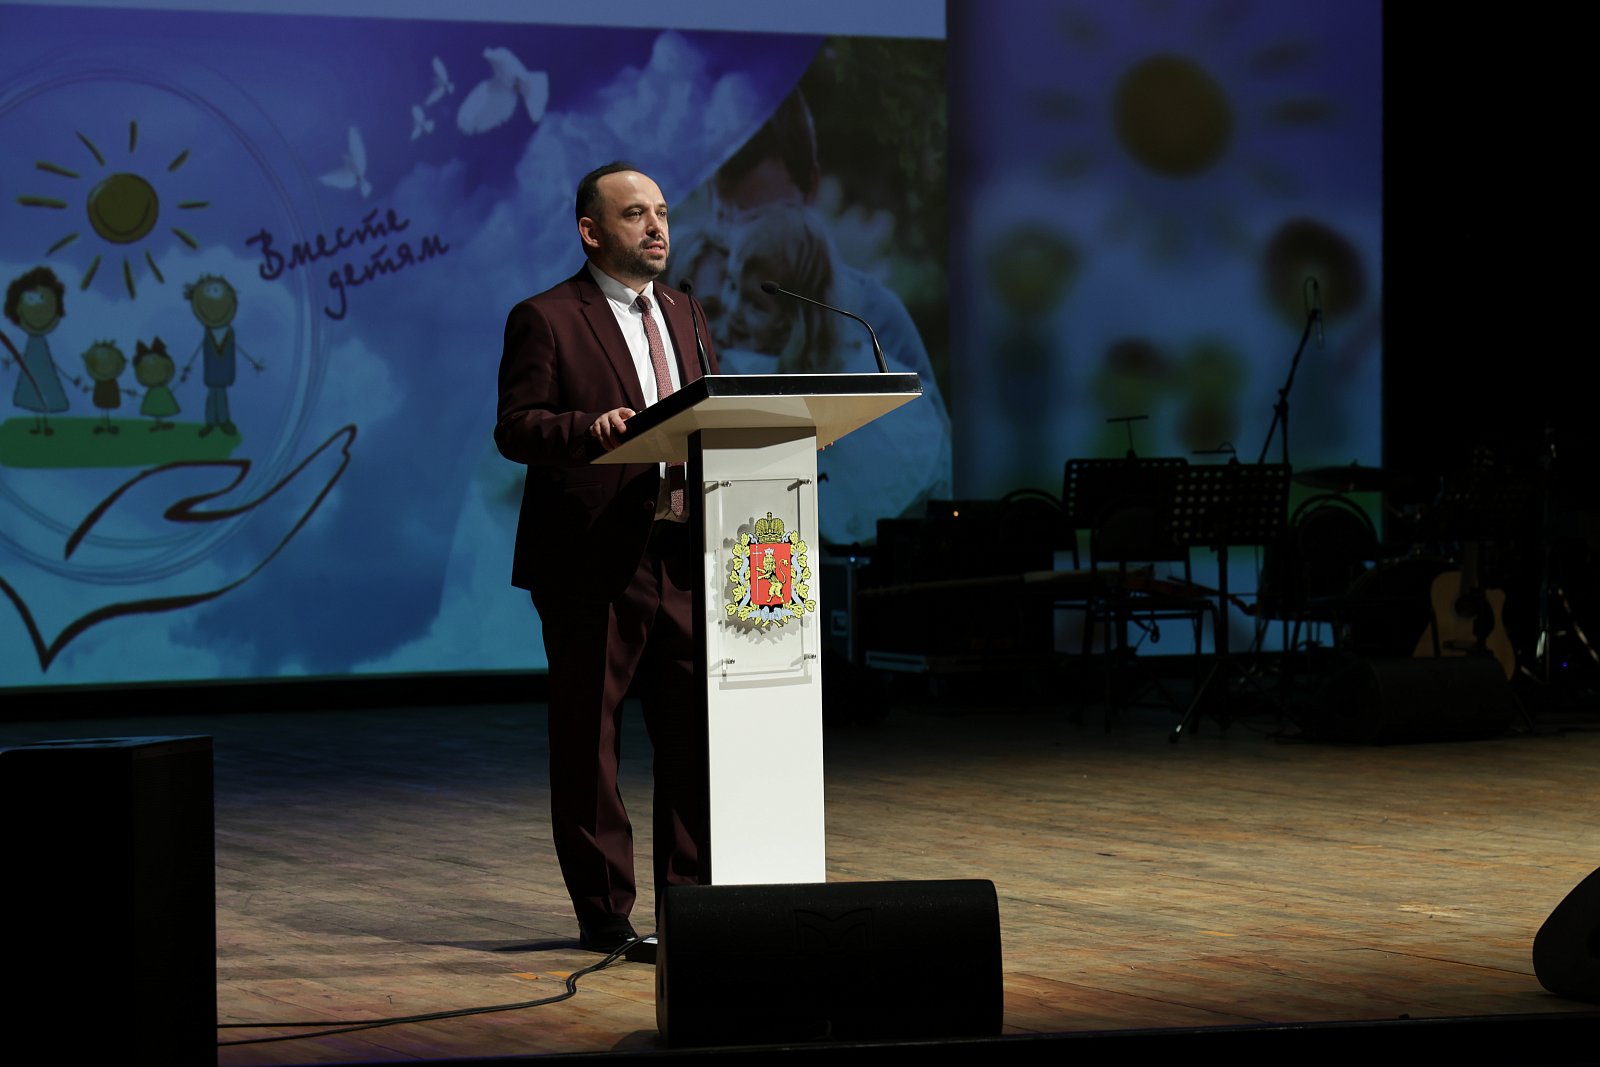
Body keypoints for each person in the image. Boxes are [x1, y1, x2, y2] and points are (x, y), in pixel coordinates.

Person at [493, 162, 719, 953]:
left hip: (681, 551)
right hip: (590, 558)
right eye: (635, 214)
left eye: (662, 212)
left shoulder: (688, 313)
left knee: (694, 739)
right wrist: (585, 429)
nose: (657, 227)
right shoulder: (547, 316)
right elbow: (515, 426)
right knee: (591, 743)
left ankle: (690, 906)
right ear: (591, 231)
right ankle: (605, 913)